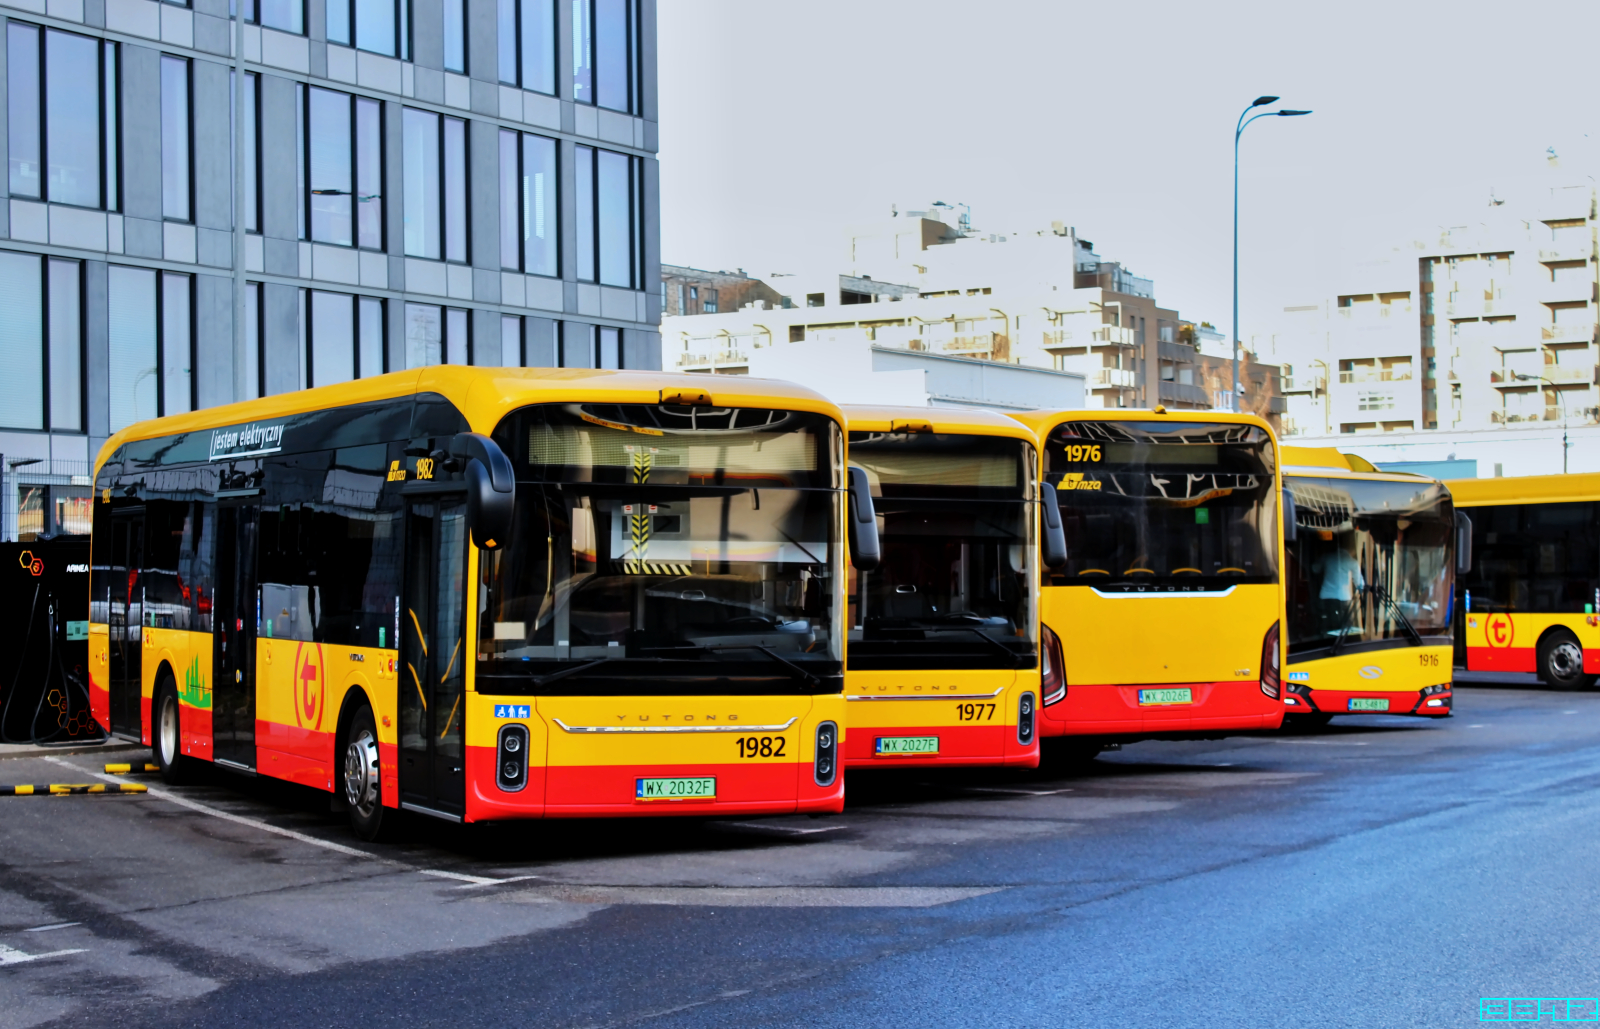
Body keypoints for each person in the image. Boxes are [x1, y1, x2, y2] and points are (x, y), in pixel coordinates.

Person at [1315, 533, 1365, 638]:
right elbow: (1359, 583)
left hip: (1326, 596)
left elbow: (1315, 569)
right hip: (1343, 597)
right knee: (1346, 624)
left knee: (1328, 623)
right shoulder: (1352, 561)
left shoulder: (1327, 557)